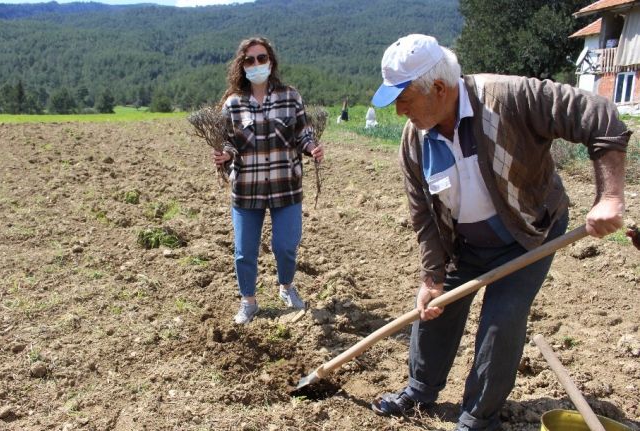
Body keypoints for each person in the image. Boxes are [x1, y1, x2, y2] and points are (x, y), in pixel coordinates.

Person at [369, 34, 629, 430]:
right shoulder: (414, 140)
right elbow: (423, 213)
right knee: (432, 312)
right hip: (465, 243)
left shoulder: (508, 98)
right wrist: (432, 276)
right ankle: (420, 390)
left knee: (501, 321)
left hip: (528, 234)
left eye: (404, 98)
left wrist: (609, 197)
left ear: (438, 88)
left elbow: (599, 114)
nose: (400, 110)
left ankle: (478, 417)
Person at [213, 37, 324, 325]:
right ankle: (248, 301)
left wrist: (312, 148)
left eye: (261, 58)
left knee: (286, 246)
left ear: (270, 61)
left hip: (285, 185)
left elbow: (303, 133)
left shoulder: (290, 97)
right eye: (249, 60)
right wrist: (224, 155)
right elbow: (228, 142)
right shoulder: (233, 104)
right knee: (244, 251)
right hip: (247, 189)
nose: (256, 64)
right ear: (242, 65)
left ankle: (286, 287)